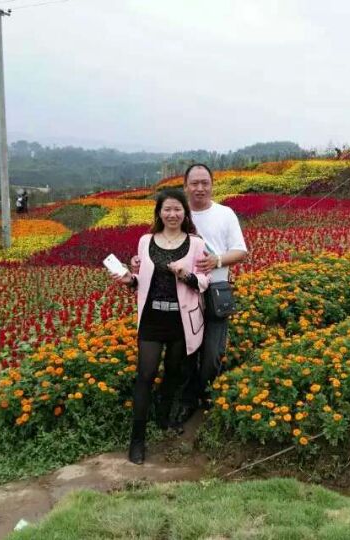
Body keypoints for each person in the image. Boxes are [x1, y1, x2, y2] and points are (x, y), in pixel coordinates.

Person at [112, 189, 210, 464]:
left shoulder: (196, 243)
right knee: (145, 375)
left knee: (174, 372)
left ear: (185, 213)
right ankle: (137, 440)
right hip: (152, 319)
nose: (172, 214)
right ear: (159, 213)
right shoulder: (145, 241)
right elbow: (141, 281)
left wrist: (185, 274)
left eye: (177, 209)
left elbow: (204, 281)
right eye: (167, 209)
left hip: (181, 320)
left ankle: (163, 416)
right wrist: (129, 280)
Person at [179, 164, 248, 421]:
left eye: (204, 183)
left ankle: (207, 392)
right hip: (185, 292)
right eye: (194, 183)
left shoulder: (225, 214)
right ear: (185, 186)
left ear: (212, 185)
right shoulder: (178, 213)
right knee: (187, 350)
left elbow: (240, 251)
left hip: (216, 291)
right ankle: (187, 400)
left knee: (212, 352)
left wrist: (216, 260)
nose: (200, 188)